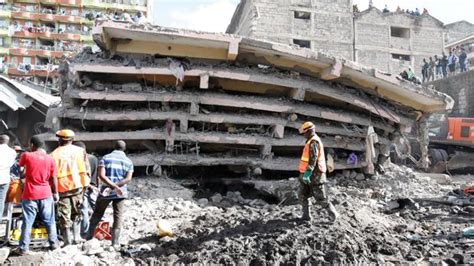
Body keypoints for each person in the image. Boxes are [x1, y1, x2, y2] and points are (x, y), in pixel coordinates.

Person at [15, 136, 59, 255]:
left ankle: (24, 248)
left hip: (30, 194)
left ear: (31, 144)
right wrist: (56, 193)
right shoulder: (50, 159)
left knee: (27, 222)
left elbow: (21, 172)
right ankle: (54, 244)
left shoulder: (26, 155)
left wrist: (27, 172)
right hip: (46, 193)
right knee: (50, 221)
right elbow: (53, 177)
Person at [86, 140, 133, 250]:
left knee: (97, 213)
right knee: (118, 216)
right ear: (124, 149)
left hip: (105, 192)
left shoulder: (105, 158)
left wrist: (111, 187)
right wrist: (117, 187)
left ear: (114, 146)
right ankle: (115, 243)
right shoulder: (128, 161)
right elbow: (128, 179)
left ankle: (88, 238)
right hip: (120, 194)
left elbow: (101, 176)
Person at [50, 129, 90, 246]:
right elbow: (87, 170)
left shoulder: (53, 154)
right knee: (77, 213)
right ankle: (77, 238)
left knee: (64, 216)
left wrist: (54, 191)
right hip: (78, 187)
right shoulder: (80, 151)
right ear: (72, 140)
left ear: (59, 140)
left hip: (62, 189)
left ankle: (67, 242)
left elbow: (52, 175)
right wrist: (85, 186)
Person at [297, 122, 338, 223]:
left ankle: (333, 214)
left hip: (315, 174)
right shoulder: (309, 140)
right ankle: (306, 216)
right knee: (302, 195)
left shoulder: (313, 142)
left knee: (320, 197)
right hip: (306, 173)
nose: (303, 135)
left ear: (310, 131)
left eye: (304, 133)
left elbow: (312, 160)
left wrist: (307, 174)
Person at [74, 141, 99, 238]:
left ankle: (84, 232)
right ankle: (101, 229)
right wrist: (97, 186)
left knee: (83, 210)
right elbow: (97, 174)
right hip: (93, 187)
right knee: (97, 209)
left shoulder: (78, 160)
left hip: (83, 187)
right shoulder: (94, 158)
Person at [0, 135, 16, 218]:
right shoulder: (12, 152)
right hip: (5, 178)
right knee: (1, 200)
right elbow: (11, 164)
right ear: (8, 141)